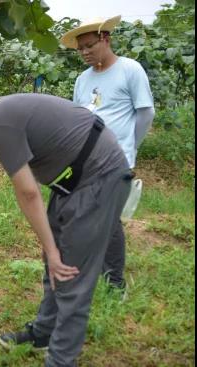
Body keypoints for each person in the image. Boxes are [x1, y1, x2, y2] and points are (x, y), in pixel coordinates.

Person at [0, 89, 133, 367]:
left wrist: (51, 249)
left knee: (70, 274)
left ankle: (60, 360)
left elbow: (28, 193)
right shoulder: (2, 111)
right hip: (74, 182)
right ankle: (44, 332)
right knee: (56, 266)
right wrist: (50, 250)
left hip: (98, 177)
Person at [61, 16, 155, 292]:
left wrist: (129, 146)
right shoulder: (82, 79)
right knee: (85, 216)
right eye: (80, 49)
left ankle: (115, 285)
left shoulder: (130, 70)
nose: (84, 53)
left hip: (116, 161)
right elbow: (78, 117)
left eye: (89, 46)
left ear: (106, 39)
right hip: (85, 160)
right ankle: (89, 272)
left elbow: (145, 113)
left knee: (109, 221)